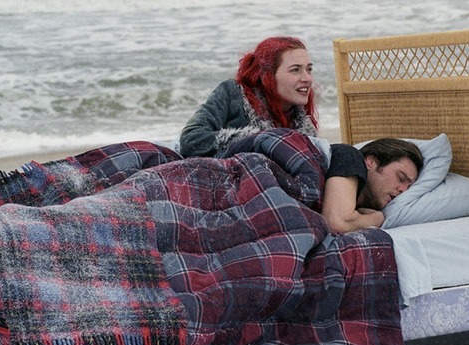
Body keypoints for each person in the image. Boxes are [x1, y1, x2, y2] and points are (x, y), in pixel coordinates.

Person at [179, 36, 319, 157]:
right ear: (267, 75)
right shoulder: (233, 93)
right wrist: (258, 140)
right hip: (231, 179)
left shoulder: (303, 125)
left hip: (275, 183)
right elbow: (190, 140)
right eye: (295, 70)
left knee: (338, 152)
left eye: (309, 69)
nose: (307, 78)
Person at [323, 138, 424, 233]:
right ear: (371, 162)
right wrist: (377, 218)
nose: (403, 190)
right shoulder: (350, 155)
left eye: (408, 187)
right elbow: (336, 223)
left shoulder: (357, 208)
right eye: (401, 178)